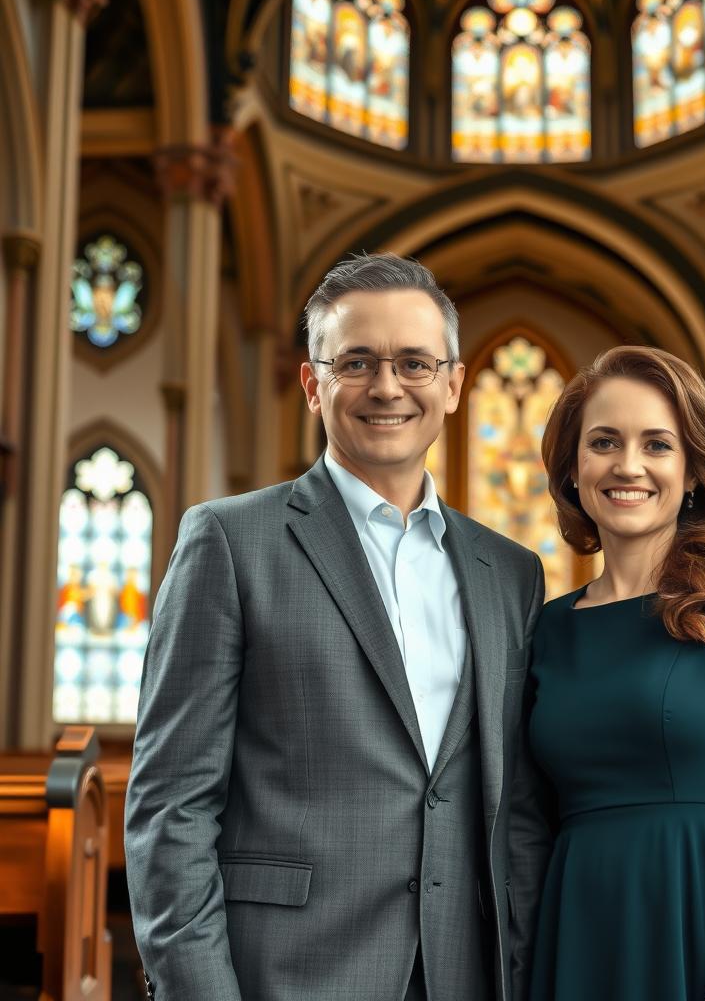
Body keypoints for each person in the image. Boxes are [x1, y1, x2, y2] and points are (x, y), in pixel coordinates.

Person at [125, 253, 551, 1001]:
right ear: (312, 385)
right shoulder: (229, 541)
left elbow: (510, 807)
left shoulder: (510, 572)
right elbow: (171, 804)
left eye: (415, 363)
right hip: (286, 973)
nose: (387, 386)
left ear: (453, 384)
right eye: (356, 361)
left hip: (465, 973)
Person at [528, 346, 705, 1001]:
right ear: (573, 469)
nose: (628, 465)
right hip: (581, 933)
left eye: (657, 444)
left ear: (690, 472)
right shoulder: (546, 628)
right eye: (604, 442)